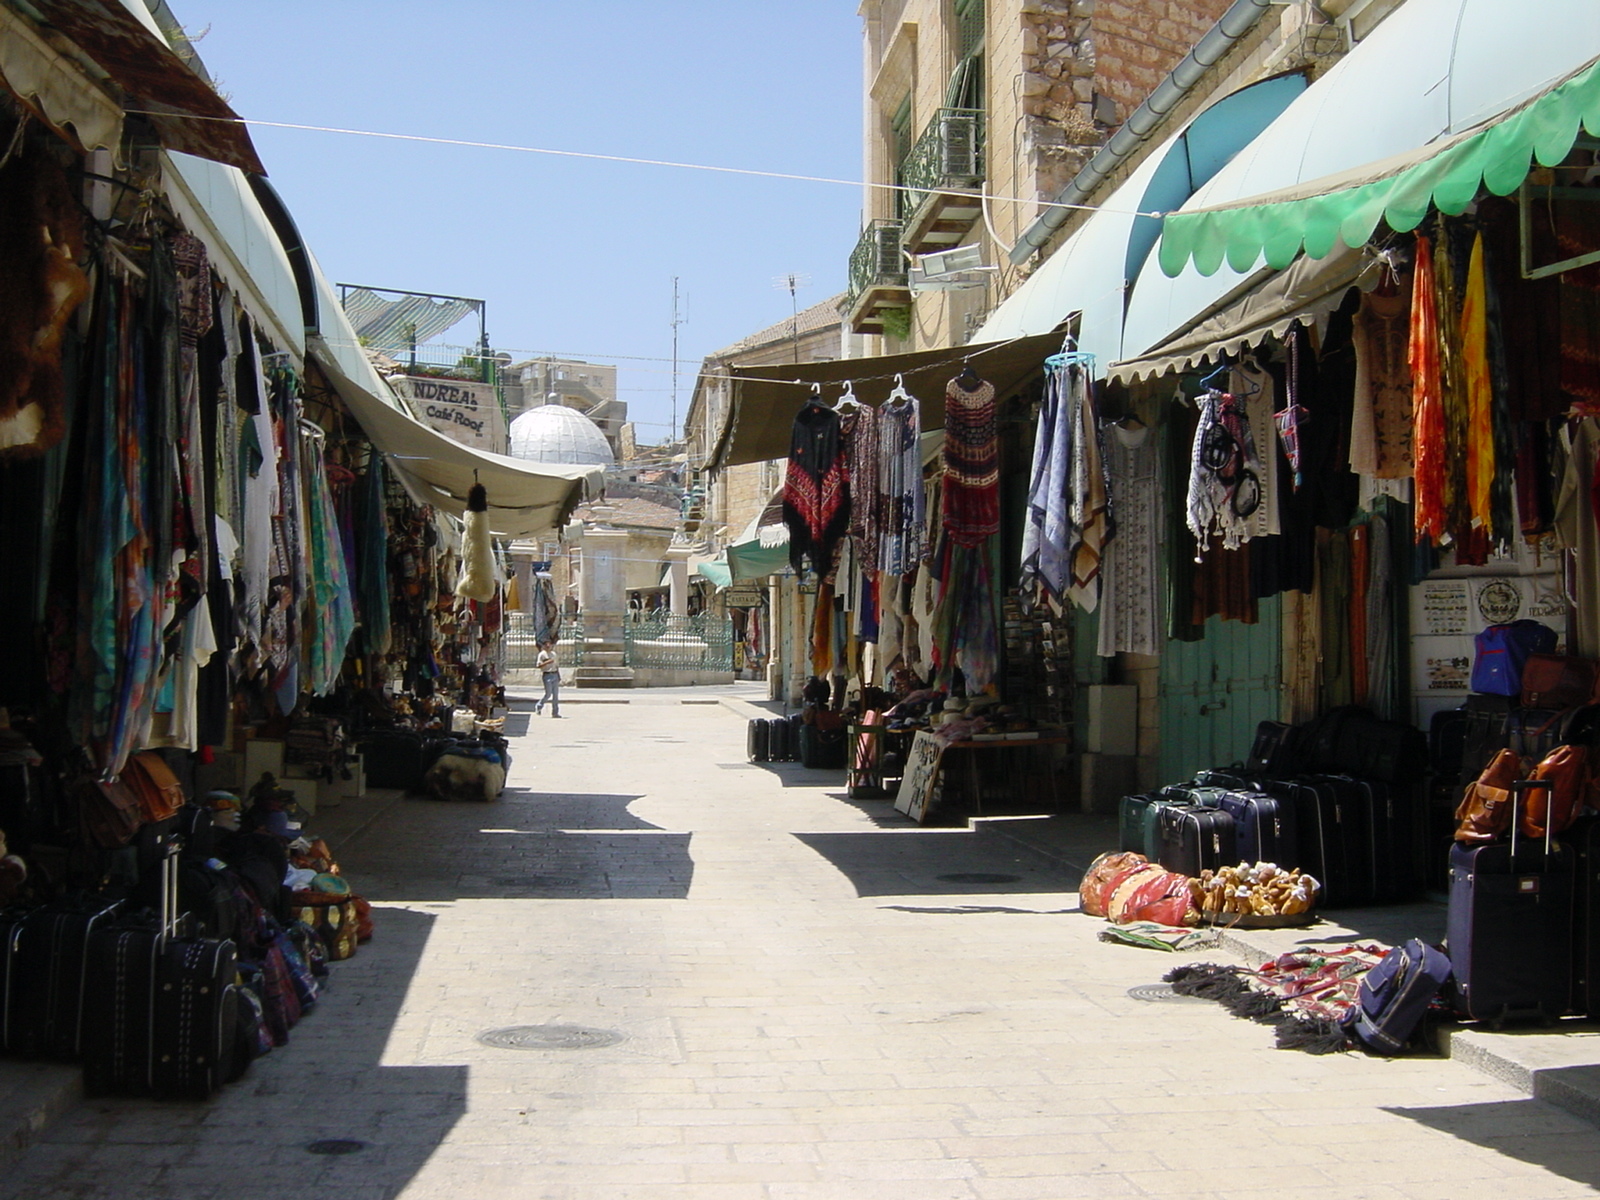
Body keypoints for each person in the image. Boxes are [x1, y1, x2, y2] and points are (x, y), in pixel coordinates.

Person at [534, 641, 561, 717]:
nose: (549, 646)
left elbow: (556, 665)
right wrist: (547, 662)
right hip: (547, 674)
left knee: (555, 695)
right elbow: (538, 665)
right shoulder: (542, 654)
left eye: (550, 645)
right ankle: (539, 706)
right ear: (544, 646)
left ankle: (555, 712)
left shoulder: (554, 654)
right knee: (548, 694)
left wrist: (558, 676)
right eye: (547, 645)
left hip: (554, 674)